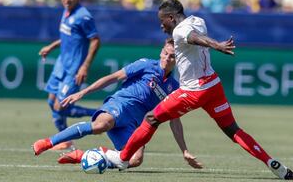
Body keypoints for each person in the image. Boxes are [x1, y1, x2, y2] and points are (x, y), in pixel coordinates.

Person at [105, 0, 293, 180]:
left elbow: (194, 38)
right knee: (233, 130)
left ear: (171, 18)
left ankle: (123, 158)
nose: (161, 26)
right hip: (213, 86)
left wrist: (217, 45)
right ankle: (271, 163)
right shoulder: (199, 20)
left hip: (194, 90)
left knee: (151, 118)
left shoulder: (180, 32)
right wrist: (214, 43)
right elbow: (196, 35)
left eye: (162, 21)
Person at [33, 39, 203, 170]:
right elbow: (113, 78)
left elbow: (175, 120)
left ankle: (82, 156)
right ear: (161, 52)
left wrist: (184, 151)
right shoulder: (146, 64)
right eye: (165, 53)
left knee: (135, 159)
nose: (167, 57)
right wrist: (82, 92)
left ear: (178, 59)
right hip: (119, 105)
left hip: (134, 124)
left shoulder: (174, 87)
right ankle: (48, 142)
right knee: (101, 125)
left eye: (172, 56)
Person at [38, 0, 100, 150]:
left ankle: (96, 113)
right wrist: (51, 47)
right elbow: (69, 37)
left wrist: (84, 66)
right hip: (61, 65)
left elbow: (95, 40)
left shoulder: (83, 16)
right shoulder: (66, 11)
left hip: (74, 69)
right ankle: (65, 140)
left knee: (61, 107)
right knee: (52, 102)